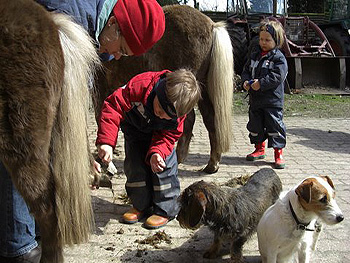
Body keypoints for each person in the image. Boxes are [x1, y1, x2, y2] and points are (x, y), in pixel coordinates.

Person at [0, 0, 165, 262]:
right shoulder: (68, 12)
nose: (117, 57)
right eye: (121, 48)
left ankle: (32, 236)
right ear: (114, 24)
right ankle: (19, 243)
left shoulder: (93, 29)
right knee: (19, 142)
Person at [96, 69, 201, 229]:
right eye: (159, 108)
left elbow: (169, 137)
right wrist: (107, 143)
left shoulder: (177, 118)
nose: (161, 115)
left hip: (161, 135)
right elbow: (112, 107)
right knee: (135, 166)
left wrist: (157, 152)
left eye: (167, 116)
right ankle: (140, 205)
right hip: (135, 129)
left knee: (164, 168)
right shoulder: (139, 87)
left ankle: (165, 209)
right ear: (159, 91)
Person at [241, 20, 288, 169]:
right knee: (255, 126)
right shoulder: (254, 55)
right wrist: (245, 82)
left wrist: (261, 83)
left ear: (277, 40)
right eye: (261, 39)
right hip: (255, 100)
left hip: (272, 102)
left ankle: (278, 153)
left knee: (275, 127)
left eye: (267, 40)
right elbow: (246, 70)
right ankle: (259, 148)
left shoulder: (278, 58)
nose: (263, 42)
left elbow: (277, 76)